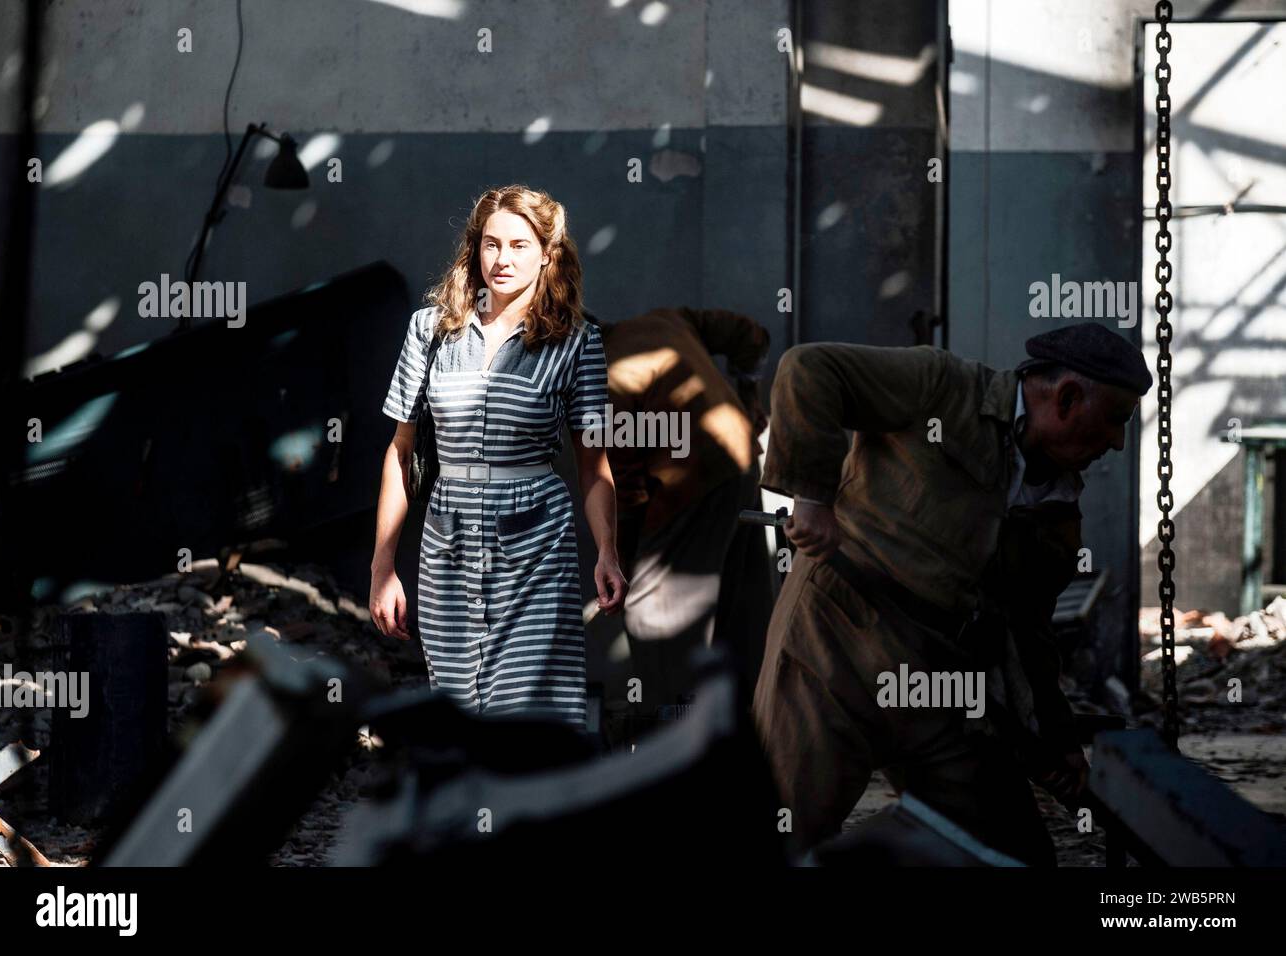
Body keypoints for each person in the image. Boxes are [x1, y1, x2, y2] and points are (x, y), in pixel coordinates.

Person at [753, 321, 1152, 864]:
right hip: (833, 647)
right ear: (1066, 397)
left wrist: (1057, 742)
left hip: (939, 684)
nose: (1118, 442)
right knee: (783, 834)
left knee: (1011, 853)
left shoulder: (1057, 514)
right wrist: (813, 499)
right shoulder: (943, 387)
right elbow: (809, 368)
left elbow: (1030, 635)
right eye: (1116, 419)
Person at [369, 184, 627, 729]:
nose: (502, 259)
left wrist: (607, 550)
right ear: (475, 248)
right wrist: (382, 566)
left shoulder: (577, 341)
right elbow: (400, 450)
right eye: (491, 244)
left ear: (547, 254)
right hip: (448, 541)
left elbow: (593, 465)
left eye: (518, 245)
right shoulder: (429, 331)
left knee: (530, 710)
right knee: (457, 707)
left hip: (537, 543)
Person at [596, 307, 773, 729]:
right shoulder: (665, 319)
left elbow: (628, 496)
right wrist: (749, 397)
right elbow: (751, 334)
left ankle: (674, 737)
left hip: (693, 483)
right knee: (739, 608)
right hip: (741, 460)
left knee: (654, 612)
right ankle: (748, 728)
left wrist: (620, 568)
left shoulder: (607, 382)